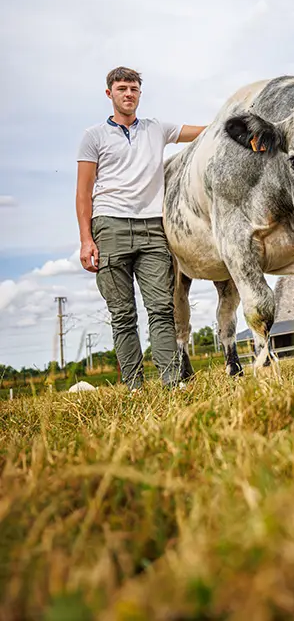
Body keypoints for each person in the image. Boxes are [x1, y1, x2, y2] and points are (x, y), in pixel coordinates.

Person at [76, 67, 205, 389]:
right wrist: (86, 240)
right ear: (110, 93)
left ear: (140, 94)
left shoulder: (156, 129)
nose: (128, 94)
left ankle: (172, 382)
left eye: (133, 89)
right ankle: (134, 387)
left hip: (152, 230)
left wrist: (242, 123)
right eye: (122, 88)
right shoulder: (93, 136)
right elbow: (83, 192)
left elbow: (205, 132)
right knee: (123, 315)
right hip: (109, 227)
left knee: (162, 308)